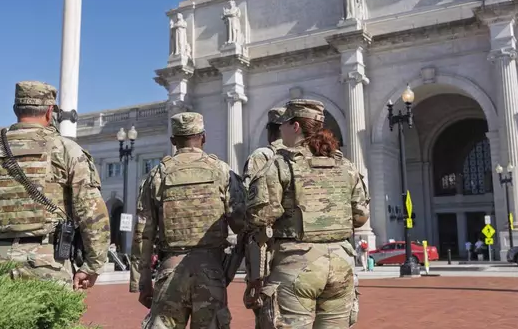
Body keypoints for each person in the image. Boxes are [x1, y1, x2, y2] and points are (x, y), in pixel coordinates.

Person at [0, 81, 110, 290]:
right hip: (48, 263)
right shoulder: (66, 150)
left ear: (15, 110)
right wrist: (92, 265)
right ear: (50, 112)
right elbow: (93, 213)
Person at [245, 99, 370, 329]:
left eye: (284, 124)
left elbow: (259, 217)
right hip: (341, 264)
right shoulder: (346, 166)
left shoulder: (280, 164)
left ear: (295, 127)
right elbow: (361, 216)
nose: (280, 129)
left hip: (297, 263)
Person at [130, 112, 246, 329]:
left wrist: (142, 282)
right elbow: (242, 224)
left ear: (173, 141)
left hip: (170, 270)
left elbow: (143, 232)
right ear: (203, 137)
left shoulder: (158, 174)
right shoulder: (221, 171)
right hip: (211, 269)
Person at [241, 106, 286, 327]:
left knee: (268, 313)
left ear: (270, 131)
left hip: (269, 251)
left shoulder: (261, 157)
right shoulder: (306, 157)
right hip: (304, 251)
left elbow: (249, 208)